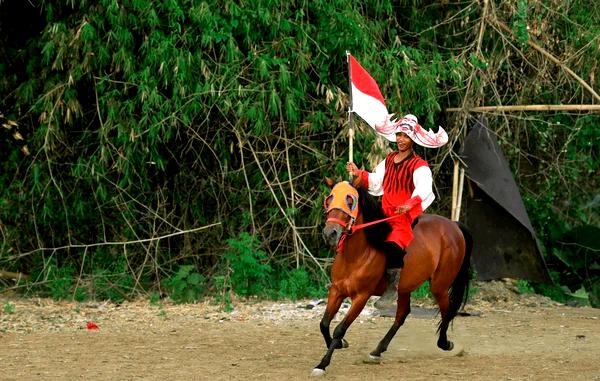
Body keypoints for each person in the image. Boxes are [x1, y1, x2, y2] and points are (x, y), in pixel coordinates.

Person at [346, 114, 447, 308]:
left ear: (413, 139)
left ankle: (392, 288)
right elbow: (376, 181)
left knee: (392, 246)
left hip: (402, 217)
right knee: (357, 233)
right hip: (385, 212)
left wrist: (409, 204)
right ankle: (351, 276)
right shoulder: (389, 159)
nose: (401, 139)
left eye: (405, 136)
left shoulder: (419, 166)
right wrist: (359, 173)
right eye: (399, 135)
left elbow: (424, 188)